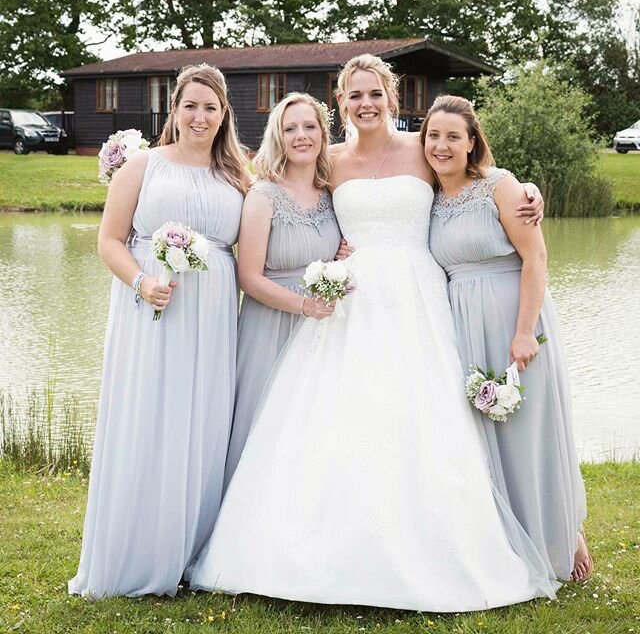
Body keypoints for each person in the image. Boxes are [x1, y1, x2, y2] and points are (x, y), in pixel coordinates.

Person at [189, 54, 559, 611]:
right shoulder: (328, 161)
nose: (365, 104)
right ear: (340, 103)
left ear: (392, 96)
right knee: (337, 415)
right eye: (354, 95)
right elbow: (279, 190)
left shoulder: (424, 149)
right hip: (353, 301)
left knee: (423, 414)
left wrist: (527, 188)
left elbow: (481, 176)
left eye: (375, 94)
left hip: (419, 296)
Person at [69, 64, 251, 599]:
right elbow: (109, 241)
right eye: (190, 105)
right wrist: (142, 282)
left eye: (210, 107)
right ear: (173, 110)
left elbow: (276, 224)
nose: (200, 116)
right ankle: (136, 550)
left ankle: (192, 550)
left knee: (203, 421)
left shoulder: (238, 175)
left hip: (213, 315)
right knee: (149, 416)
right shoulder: (144, 166)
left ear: (224, 115)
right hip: (150, 307)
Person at [424, 95, 592, 582]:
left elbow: (536, 259)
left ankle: (563, 537)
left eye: (453, 136)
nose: (442, 145)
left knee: (532, 430)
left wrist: (523, 332)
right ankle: (507, 543)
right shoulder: (429, 200)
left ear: (472, 142)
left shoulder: (501, 187)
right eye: (433, 136)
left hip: (514, 316)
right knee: (487, 436)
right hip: (462, 325)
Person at [224, 93, 341, 488]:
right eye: (290, 129)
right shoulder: (263, 195)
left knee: (312, 430)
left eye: (309, 127)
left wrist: (343, 256)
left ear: (323, 134)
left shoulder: (332, 195)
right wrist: (304, 305)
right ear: (278, 136)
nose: (301, 136)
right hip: (271, 326)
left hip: (320, 332)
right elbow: (249, 277)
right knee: (264, 426)